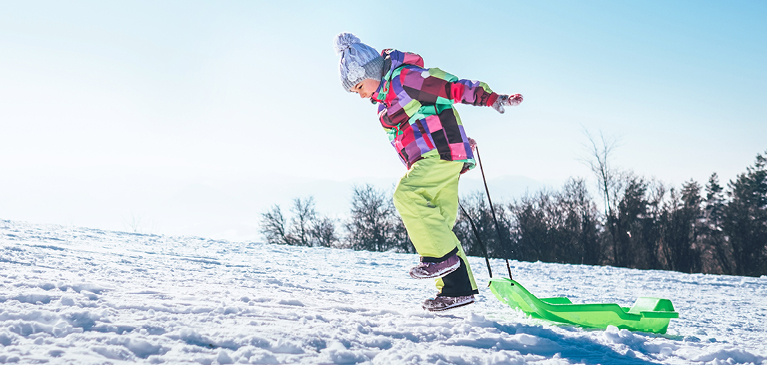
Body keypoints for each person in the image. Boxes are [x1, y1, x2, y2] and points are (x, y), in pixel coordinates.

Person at [334, 32, 523, 312]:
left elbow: (449, 88)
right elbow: (427, 120)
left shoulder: (405, 79)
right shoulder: (385, 102)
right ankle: (457, 289)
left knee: (406, 195)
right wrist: (457, 138)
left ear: (371, 71)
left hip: (438, 155)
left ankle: (440, 260)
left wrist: (491, 98)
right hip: (439, 155)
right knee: (438, 223)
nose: (361, 94)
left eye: (359, 86)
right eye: (356, 92)